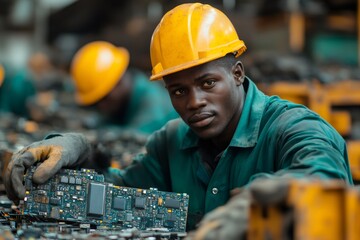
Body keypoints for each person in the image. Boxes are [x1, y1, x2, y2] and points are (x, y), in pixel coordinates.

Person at [4, 2, 353, 237]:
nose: (194, 102)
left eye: (207, 83)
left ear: (236, 73)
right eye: (178, 91)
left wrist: (258, 204)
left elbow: (325, 176)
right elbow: (117, 192)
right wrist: (78, 148)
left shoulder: (292, 128)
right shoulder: (171, 142)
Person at [69, 41, 178, 134]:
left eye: (104, 98)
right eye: (95, 103)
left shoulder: (153, 107)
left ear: (119, 81)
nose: (102, 107)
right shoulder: (122, 101)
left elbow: (133, 137)